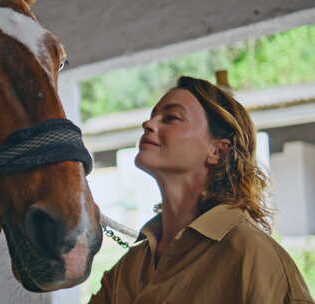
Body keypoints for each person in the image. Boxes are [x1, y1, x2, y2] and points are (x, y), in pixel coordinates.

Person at [89, 76, 314, 303]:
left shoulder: (253, 256)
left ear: (217, 151)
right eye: (152, 117)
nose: (148, 124)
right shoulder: (130, 267)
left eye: (171, 118)